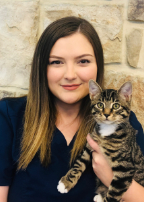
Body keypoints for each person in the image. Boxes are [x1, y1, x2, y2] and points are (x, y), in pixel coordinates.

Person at [0, 16, 144, 202]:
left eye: (83, 61)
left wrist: (111, 177)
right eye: (56, 62)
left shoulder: (124, 122)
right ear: (41, 67)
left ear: (97, 66)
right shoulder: (10, 116)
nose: (70, 75)